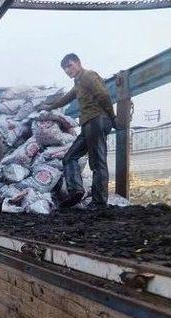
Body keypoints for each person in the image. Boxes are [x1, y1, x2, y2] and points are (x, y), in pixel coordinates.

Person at [43, 53, 116, 209]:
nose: (68, 70)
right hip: (88, 124)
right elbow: (67, 98)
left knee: (97, 162)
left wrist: (112, 117)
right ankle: (76, 190)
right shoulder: (78, 83)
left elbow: (103, 95)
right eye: (65, 69)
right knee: (69, 157)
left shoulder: (88, 75)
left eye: (70, 66)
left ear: (78, 63)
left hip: (97, 120)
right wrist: (49, 107)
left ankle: (99, 202)